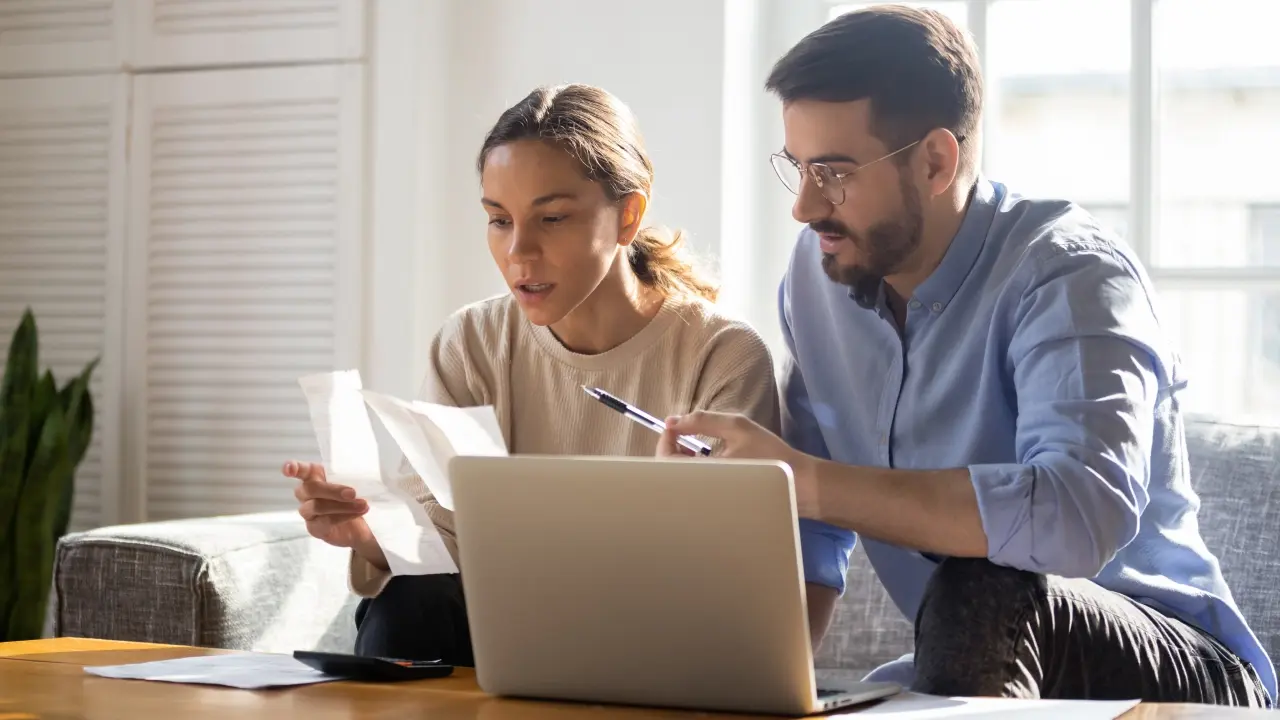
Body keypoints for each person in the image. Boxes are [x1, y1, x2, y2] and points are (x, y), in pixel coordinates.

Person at [657, 5, 1274, 707]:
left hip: (1182, 669)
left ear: (936, 160)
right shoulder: (818, 276)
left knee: (982, 579)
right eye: (796, 167)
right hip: (972, 662)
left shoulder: (1070, 277)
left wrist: (808, 479)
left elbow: (1077, 515)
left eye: (832, 172)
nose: (803, 207)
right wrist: (755, 688)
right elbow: (811, 531)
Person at [282, 84, 780, 666]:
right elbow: (442, 544)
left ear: (628, 215)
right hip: (500, 642)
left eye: (552, 218)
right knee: (410, 600)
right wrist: (365, 534)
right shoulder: (470, 343)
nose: (520, 251)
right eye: (499, 220)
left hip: (652, 641)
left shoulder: (722, 355)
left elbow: (732, 585)